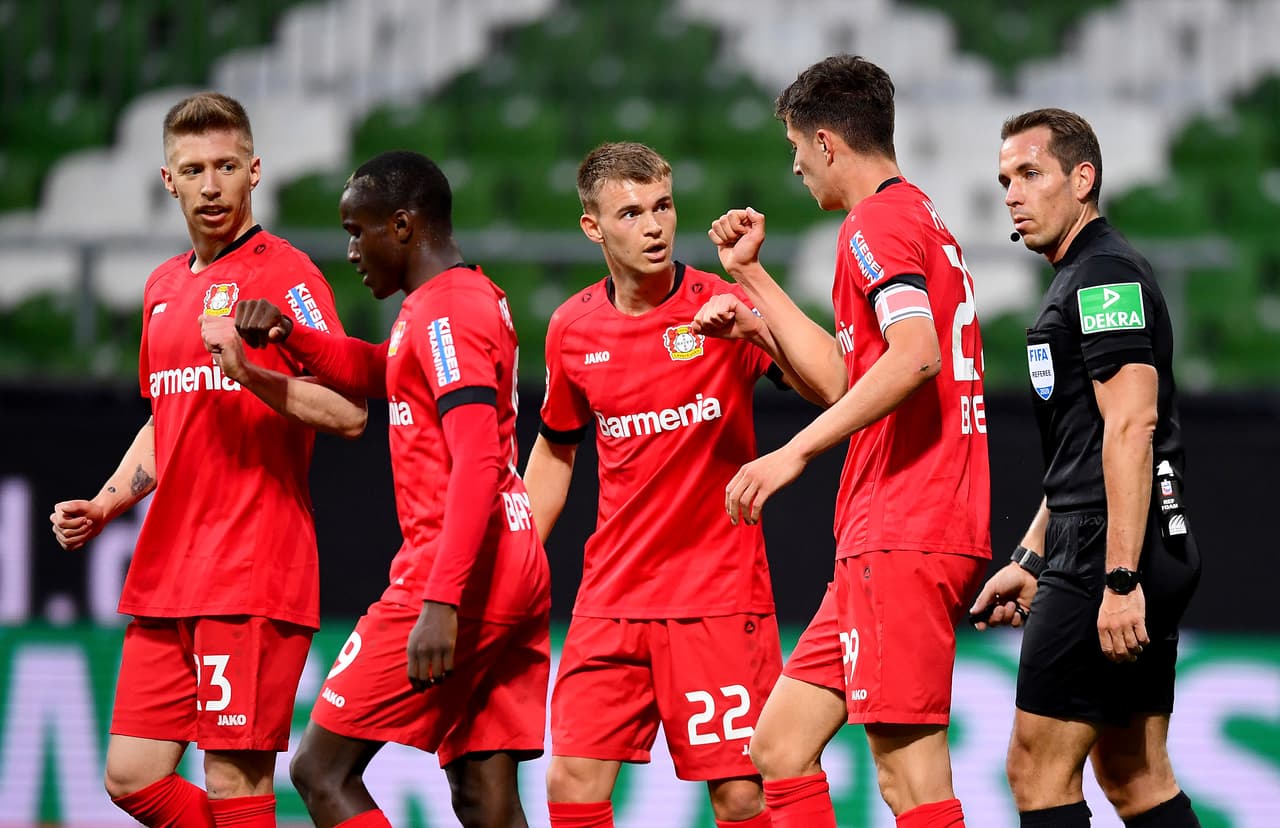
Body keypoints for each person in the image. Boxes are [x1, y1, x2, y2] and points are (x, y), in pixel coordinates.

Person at [49, 92, 367, 827]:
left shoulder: (288, 276)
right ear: (169, 180)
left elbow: (350, 410)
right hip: (167, 572)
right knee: (131, 778)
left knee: (234, 780)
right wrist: (105, 504)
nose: (212, 183)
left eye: (227, 166)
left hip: (252, 568)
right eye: (194, 168)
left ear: (255, 172)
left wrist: (253, 374)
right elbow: (170, 415)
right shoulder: (162, 289)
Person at [703, 55, 991, 828]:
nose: (796, 169)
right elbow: (848, 377)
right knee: (781, 747)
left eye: (797, 151)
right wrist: (754, 282)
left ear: (828, 143)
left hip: (906, 523)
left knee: (911, 781)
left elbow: (915, 355)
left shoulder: (874, 224)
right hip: (893, 527)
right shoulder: (920, 218)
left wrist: (794, 451)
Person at [228, 149, 551, 828]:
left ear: (402, 227)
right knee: (484, 799)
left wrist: (441, 601)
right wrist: (294, 336)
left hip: (459, 569)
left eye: (358, 230)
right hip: (513, 562)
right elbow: (388, 372)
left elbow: (475, 463)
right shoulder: (454, 299)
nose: (351, 249)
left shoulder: (446, 315)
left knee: (321, 771)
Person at [523, 142, 839, 828]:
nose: (654, 226)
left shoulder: (720, 305)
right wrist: (512, 560)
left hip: (716, 598)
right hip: (611, 598)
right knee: (573, 780)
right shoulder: (572, 328)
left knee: (740, 794)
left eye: (662, 206)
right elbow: (554, 451)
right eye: (631, 213)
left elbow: (832, 389)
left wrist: (755, 327)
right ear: (593, 227)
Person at [970, 107, 1203, 828]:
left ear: (1083, 178)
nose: (1012, 192)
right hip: (1103, 536)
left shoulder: (1102, 277)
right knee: (1134, 775)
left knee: (1036, 770)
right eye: (1005, 178)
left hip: (1110, 546)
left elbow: (1132, 424)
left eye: (1031, 174)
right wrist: (1031, 555)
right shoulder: (1083, 274)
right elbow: (1086, 441)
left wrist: (1120, 579)